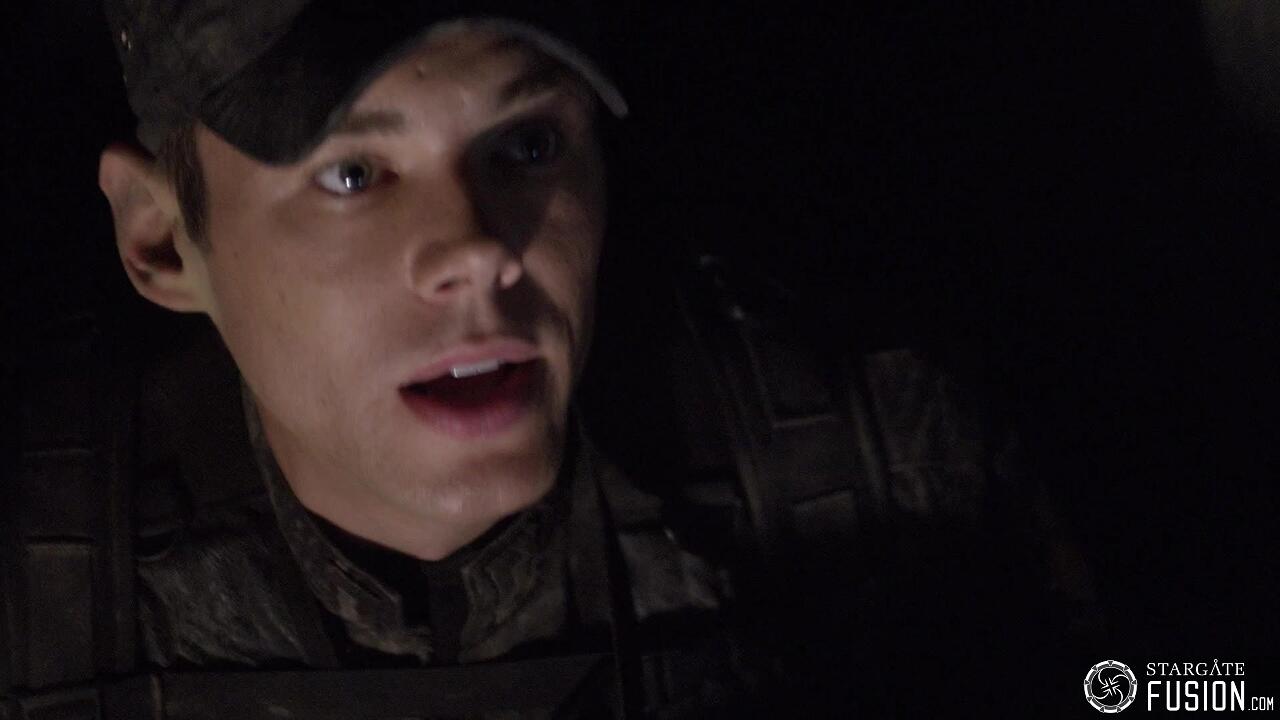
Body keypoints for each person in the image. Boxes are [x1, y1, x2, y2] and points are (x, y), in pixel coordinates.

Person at [2, 1, 1092, 718]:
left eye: (526, 145)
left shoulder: (877, 450)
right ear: (162, 238)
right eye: (351, 174)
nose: (477, 247)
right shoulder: (38, 572)